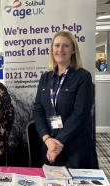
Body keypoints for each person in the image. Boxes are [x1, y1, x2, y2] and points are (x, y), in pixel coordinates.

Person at [33, 29, 98, 169]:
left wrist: (59, 142)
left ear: (73, 50)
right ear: (52, 50)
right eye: (56, 45)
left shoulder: (83, 77)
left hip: (75, 145)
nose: (60, 49)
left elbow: (80, 114)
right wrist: (47, 139)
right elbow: (38, 111)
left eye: (65, 46)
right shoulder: (45, 78)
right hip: (49, 145)